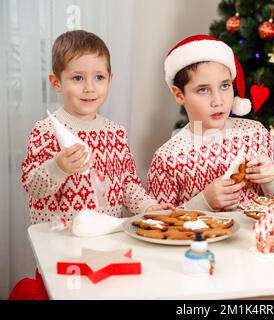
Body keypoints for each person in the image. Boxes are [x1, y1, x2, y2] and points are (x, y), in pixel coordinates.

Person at [11, 30, 173, 299]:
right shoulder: (45, 132)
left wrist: (149, 206)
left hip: (106, 246)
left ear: (110, 80)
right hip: (60, 247)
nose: (89, 87)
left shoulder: (116, 132)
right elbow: (34, 186)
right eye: (77, 78)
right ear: (56, 82)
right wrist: (58, 167)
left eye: (99, 77)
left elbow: (127, 186)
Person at [147, 34, 274, 211]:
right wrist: (204, 202)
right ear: (179, 95)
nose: (218, 101)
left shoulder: (255, 134)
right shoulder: (168, 158)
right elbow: (157, 224)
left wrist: (272, 180)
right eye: (203, 90)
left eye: (225, 86)